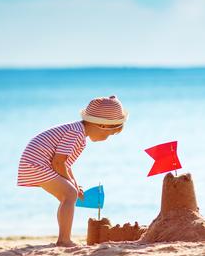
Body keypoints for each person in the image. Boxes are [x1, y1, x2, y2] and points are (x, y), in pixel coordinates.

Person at [17, 96, 128, 246]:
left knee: (69, 194)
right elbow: (58, 162)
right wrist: (72, 186)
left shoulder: (78, 131)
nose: (106, 138)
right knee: (69, 194)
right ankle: (64, 240)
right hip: (36, 163)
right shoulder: (76, 134)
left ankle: (63, 237)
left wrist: (75, 184)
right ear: (101, 125)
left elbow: (65, 164)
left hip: (40, 163)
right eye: (108, 134)